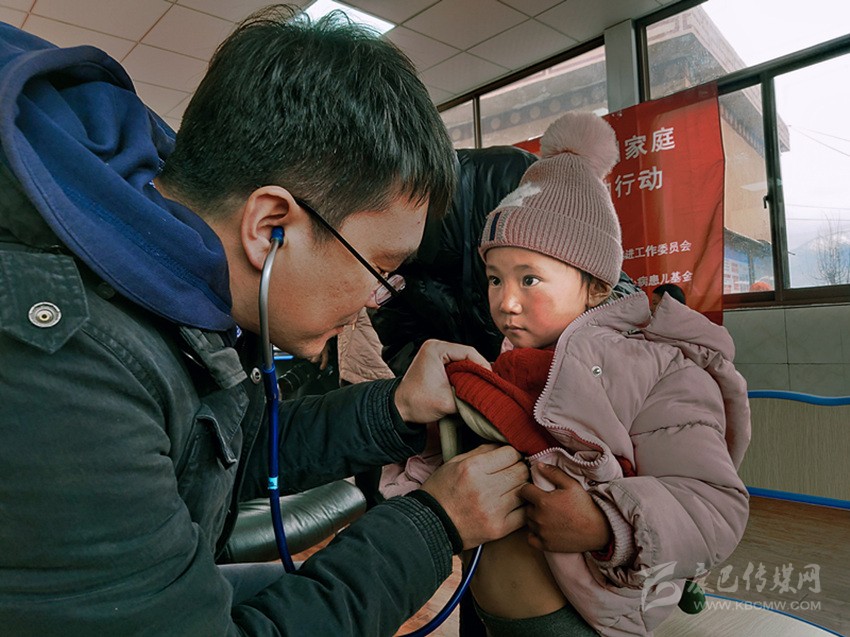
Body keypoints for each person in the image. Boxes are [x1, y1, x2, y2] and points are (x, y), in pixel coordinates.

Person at [0, 6, 531, 635]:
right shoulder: (67, 362)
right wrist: (435, 524)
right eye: (381, 267)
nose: (378, 298)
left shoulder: (170, 273)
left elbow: (221, 448)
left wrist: (394, 410)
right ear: (270, 227)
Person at [381, 112, 751, 636]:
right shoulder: (504, 366)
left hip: (582, 621)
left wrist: (604, 524)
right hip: (483, 612)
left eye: (530, 279)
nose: (505, 302)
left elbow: (713, 507)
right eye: (494, 279)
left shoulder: (658, 369)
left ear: (596, 285)